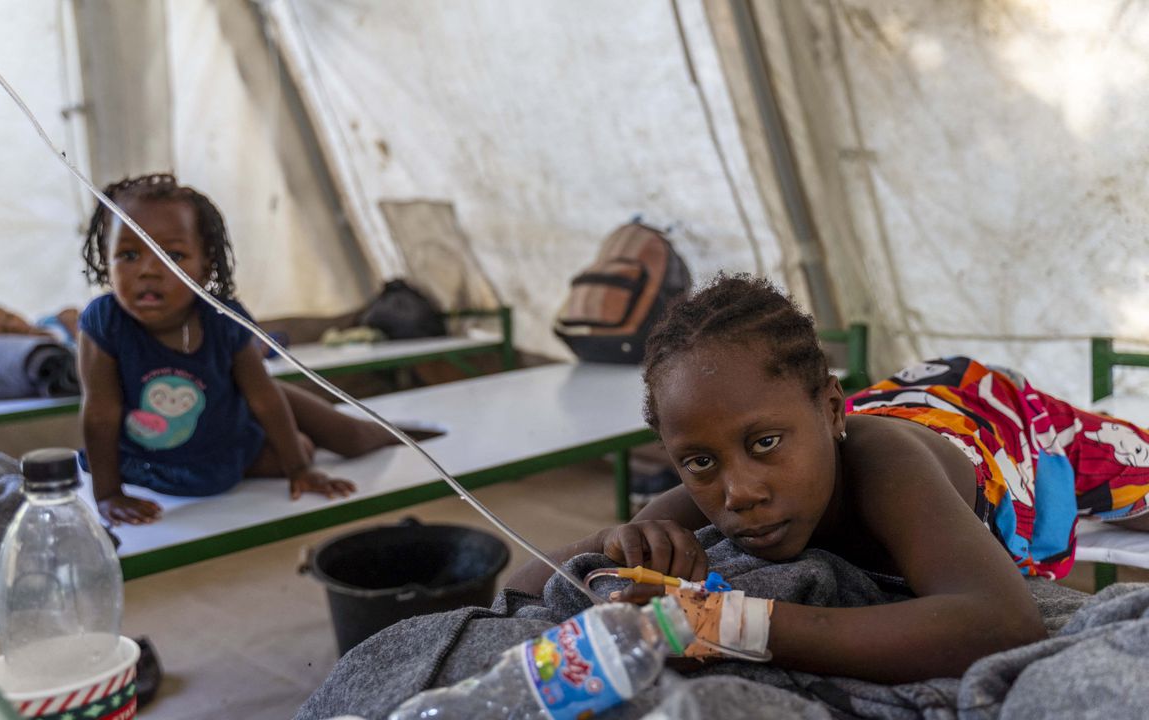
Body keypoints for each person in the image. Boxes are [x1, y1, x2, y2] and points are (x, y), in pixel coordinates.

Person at [507, 272, 1149, 683]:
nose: (739, 493)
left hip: (991, 416)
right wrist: (616, 540)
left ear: (830, 411)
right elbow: (523, 584)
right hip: (891, 399)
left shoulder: (886, 467)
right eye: (698, 462)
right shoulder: (726, 470)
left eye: (764, 444)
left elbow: (1002, 624)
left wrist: (723, 625)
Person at [77, 173, 405, 525]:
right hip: (149, 463)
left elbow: (263, 397)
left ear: (206, 266)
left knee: (336, 442)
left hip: (227, 445)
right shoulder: (104, 322)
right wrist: (108, 494)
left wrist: (299, 469)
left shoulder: (222, 318)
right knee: (299, 443)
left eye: (172, 254)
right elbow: (100, 413)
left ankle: (402, 433)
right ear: (105, 262)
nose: (148, 270)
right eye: (128, 254)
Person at [0, 301, 80, 349]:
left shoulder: (46, 321)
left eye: (10, 316)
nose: (14, 325)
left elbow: (72, 313)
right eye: (5, 331)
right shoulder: (35, 353)